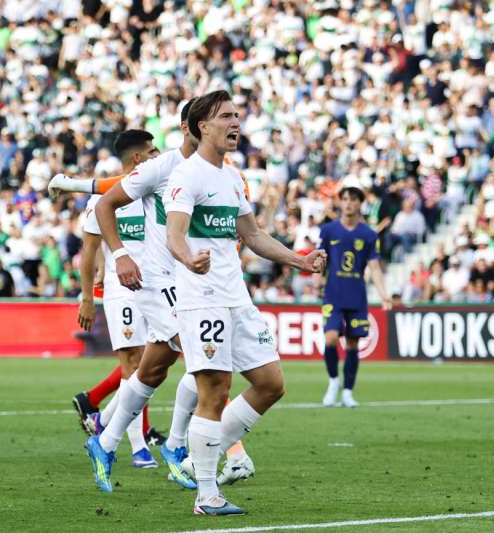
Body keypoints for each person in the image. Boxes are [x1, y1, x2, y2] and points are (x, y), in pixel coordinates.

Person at [165, 90, 326, 515]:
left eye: (237, 116)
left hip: (236, 297)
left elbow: (252, 236)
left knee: (272, 383)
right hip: (202, 300)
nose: (236, 123)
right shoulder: (189, 175)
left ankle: (201, 454)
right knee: (214, 392)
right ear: (203, 126)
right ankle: (206, 495)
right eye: (226, 117)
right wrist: (188, 258)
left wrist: (299, 260)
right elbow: (175, 234)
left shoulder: (233, 177)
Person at [85, 98, 255, 493]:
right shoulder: (161, 168)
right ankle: (176, 447)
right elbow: (106, 205)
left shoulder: (217, 174)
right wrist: (123, 255)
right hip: (157, 281)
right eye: (215, 120)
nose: (226, 126)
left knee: (156, 367)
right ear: (191, 128)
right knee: (203, 357)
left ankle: (105, 439)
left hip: (190, 284)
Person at [56, 129, 162, 468]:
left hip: (158, 286)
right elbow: (88, 252)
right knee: (134, 363)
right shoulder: (101, 203)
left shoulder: (155, 190)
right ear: (137, 158)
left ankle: (102, 421)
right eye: (152, 151)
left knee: (157, 360)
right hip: (122, 289)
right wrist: (87, 297)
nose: (158, 155)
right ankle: (137, 446)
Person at [318, 184, 391, 408]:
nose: (348, 203)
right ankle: (333, 382)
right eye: (345, 199)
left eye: (353, 199)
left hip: (356, 296)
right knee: (330, 338)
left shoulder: (368, 234)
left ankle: (348, 392)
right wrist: (317, 278)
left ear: (360, 204)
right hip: (333, 294)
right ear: (340, 203)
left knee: (352, 344)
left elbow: (375, 268)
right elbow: (321, 259)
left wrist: (384, 295)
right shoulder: (329, 230)